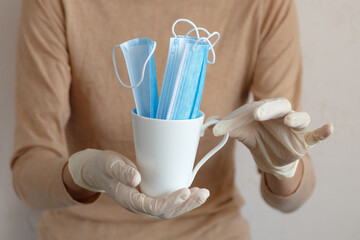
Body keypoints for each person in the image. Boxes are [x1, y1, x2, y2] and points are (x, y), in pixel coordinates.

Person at [11, 0, 333, 239]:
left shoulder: (263, 5)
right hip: (82, 232)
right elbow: (27, 174)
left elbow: (292, 199)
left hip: (210, 231)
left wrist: (285, 168)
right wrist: (81, 173)